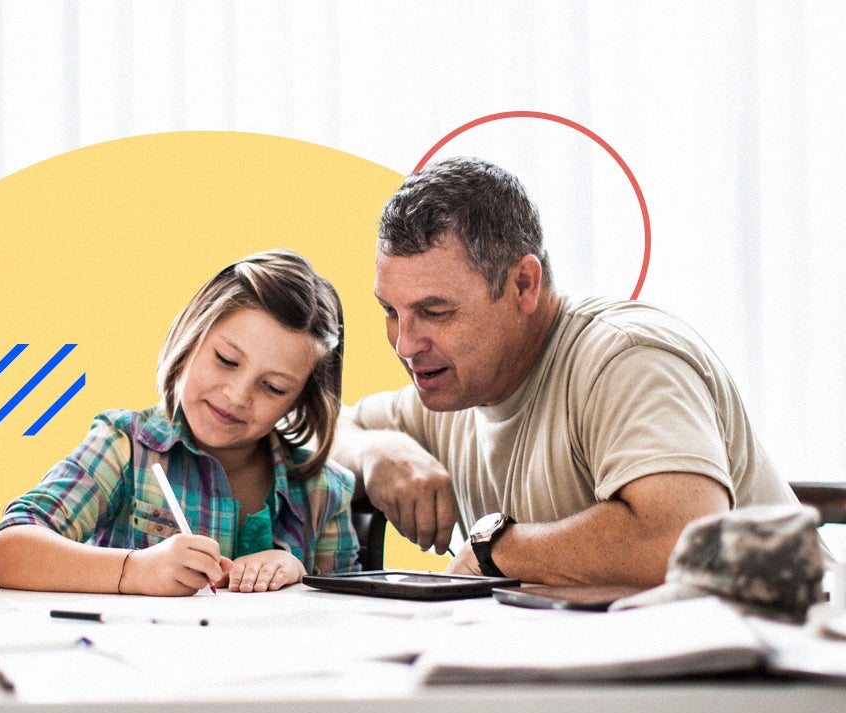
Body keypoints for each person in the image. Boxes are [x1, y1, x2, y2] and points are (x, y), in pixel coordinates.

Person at [333, 156, 801, 588]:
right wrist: (375, 447)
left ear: (523, 285)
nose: (405, 343)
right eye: (390, 311)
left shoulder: (627, 359)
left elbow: (683, 540)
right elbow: (312, 426)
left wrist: (494, 551)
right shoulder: (453, 386)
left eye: (435, 312)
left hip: (783, 659)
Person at [0, 250, 358, 595]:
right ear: (190, 338)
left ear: (302, 399)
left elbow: (351, 617)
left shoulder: (324, 490)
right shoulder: (125, 447)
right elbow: (8, 551)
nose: (237, 396)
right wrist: (134, 570)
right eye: (226, 360)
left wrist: (296, 572)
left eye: (273, 387)